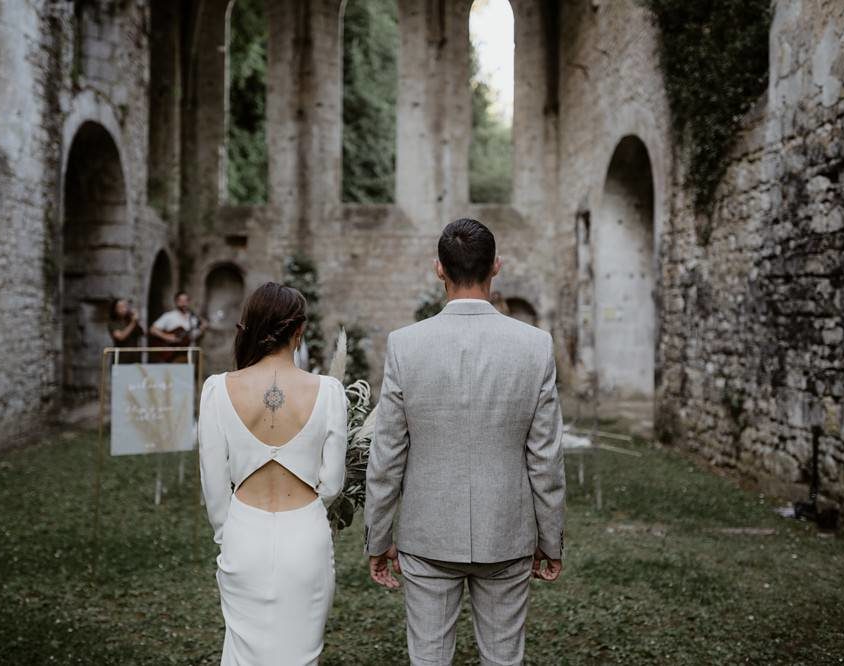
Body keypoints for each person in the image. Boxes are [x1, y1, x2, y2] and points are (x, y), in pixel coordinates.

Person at [364, 218, 566, 666]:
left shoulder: (405, 345)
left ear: (439, 269)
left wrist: (378, 540)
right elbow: (546, 459)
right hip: (507, 534)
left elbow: (387, 456)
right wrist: (550, 540)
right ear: (497, 267)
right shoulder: (535, 346)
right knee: (503, 659)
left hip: (427, 535)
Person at [198, 282, 348, 665]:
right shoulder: (329, 391)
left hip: (243, 535)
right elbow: (332, 482)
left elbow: (214, 485)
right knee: (301, 656)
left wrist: (226, 533)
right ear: (299, 331)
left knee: (243, 655)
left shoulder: (218, 390)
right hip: (306, 538)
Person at [149, 291, 208, 362]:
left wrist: (201, 329)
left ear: (189, 302)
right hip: (171, 352)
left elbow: (192, 336)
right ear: (176, 302)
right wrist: (167, 336)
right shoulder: (169, 316)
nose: (183, 303)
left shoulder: (193, 318)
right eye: (181, 301)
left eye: (185, 300)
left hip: (188, 352)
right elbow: (153, 329)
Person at [108, 298, 142, 363]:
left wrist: (136, 320)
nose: (124, 309)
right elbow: (120, 337)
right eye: (120, 307)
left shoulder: (130, 320)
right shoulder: (113, 322)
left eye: (125, 306)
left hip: (134, 356)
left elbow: (142, 333)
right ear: (115, 309)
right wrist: (133, 323)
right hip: (121, 357)